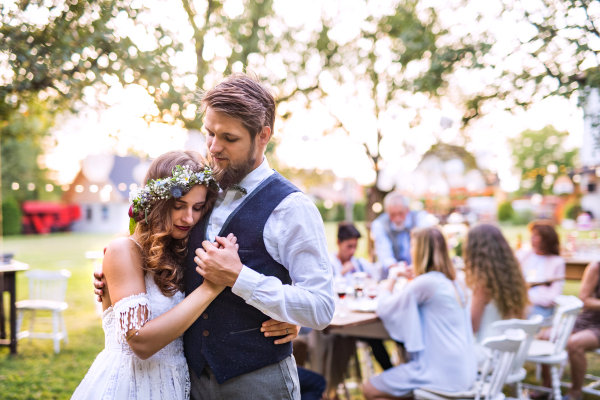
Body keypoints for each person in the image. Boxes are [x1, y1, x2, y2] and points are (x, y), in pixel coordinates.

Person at [98, 73, 336, 399]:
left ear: (263, 136)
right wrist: (115, 279)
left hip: (258, 382)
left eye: (229, 138)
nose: (213, 147)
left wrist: (243, 279)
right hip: (189, 382)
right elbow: (157, 246)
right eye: (209, 133)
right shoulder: (198, 193)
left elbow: (320, 308)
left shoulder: (293, 208)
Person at [77, 150, 299, 399]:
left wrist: (286, 313)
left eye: (198, 207)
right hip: (131, 386)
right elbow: (140, 342)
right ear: (156, 202)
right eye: (178, 206)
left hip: (175, 386)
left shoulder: (182, 252)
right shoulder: (123, 250)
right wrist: (209, 289)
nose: (189, 217)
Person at [363, 227, 477, 400]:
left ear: (420, 251)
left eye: (413, 246)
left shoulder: (427, 282)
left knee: (370, 389)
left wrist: (393, 276)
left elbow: (384, 307)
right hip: (465, 372)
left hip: (439, 373)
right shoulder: (455, 281)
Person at [329, 222, 392, 371]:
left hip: (360, 314)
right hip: (342, 320)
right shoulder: (329, 264)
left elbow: (377, 277)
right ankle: (390, 372)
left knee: (382, 333)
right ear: (339, 243)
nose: (352, 251)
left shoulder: (359, 264)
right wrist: (342, 273)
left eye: (355, 247)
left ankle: (395, 374)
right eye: (349, 246)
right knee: (374, 338)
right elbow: (328, 291)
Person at [463, 224, 529, 363]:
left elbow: (471, 327)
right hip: (510, 352)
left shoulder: (482, 284)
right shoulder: (513, 275)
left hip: (489, 353)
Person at [564, 261, 600, 400]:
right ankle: (548, 386)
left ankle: (576, 392)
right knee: (546, 335)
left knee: (575, 343)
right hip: (588, 318)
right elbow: (584, 299)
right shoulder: (596, 267)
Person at [516, 221, 565, 320]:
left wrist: (526, 300)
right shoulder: (522, 255)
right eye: (532, 235)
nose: (532, 238)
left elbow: (553, 297)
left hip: (539, 309)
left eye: (536, 236)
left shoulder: (557, 262)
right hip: (519, 305)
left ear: (547, 239)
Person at [370, 192, 428, 277]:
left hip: (419, 271)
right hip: (392, 274)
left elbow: (425, 247)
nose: (397, 219)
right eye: (393, 215)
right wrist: (397, 269)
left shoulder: (420, 218)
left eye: (400, 213)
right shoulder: (380, 224)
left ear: (407, 210)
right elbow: (384, 253)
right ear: (387, 212)